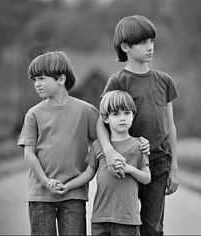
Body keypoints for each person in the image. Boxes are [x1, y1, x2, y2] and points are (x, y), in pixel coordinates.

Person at [96, 15, 179, 236]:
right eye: (143, 43)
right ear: (125, 46)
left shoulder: (164, 81)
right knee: (126, 226)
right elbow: (100, 123)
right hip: (128, 162)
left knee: (153, 228)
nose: (150, 47)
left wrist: (175, 167)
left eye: (151, 41)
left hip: (160, 163)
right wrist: (110, 152)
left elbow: (170, 126)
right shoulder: (118, 81)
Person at [18, 51, 100, 235]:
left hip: (74, 195)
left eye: (41, 78)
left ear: (61, 78)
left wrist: (139, 143)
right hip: (41, 195)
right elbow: (29, 154)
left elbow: (103, 144)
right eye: (34, 80)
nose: (36, 84)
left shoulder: (86, 111)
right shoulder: (33, 114)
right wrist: (47, 183)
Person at [55, 90, 151, 236]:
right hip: (100, 218)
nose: (122, 118)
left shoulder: (139, 145)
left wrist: (129, 169)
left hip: (127, 220)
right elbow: (88, 174)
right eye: (116, 114)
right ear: (105, 119)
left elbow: (146, 178)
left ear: (133, 116)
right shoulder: (98, 146)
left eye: (127, 113)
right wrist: (66, 186)